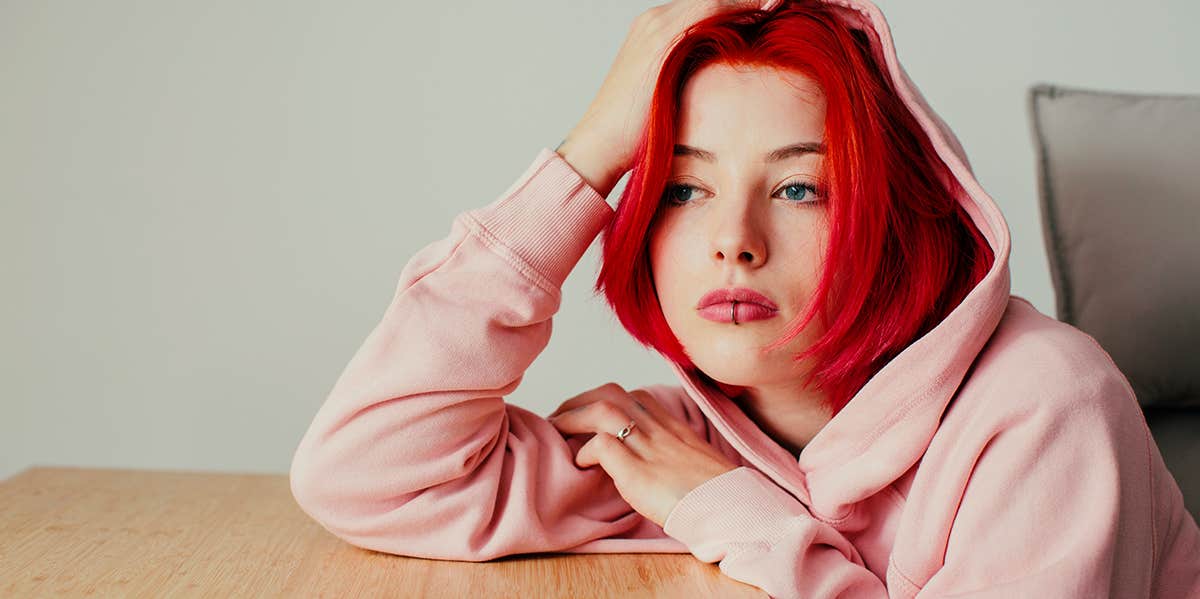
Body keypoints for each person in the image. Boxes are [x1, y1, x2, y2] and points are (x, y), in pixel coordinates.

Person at [289, 0, 1200, 597]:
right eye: (683, 189)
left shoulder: (1047, 404)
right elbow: (367, 470)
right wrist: (588, 154)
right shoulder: (682, 443)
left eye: (801, 188)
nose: (734, 239)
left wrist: (734, 511)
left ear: (903, 215)